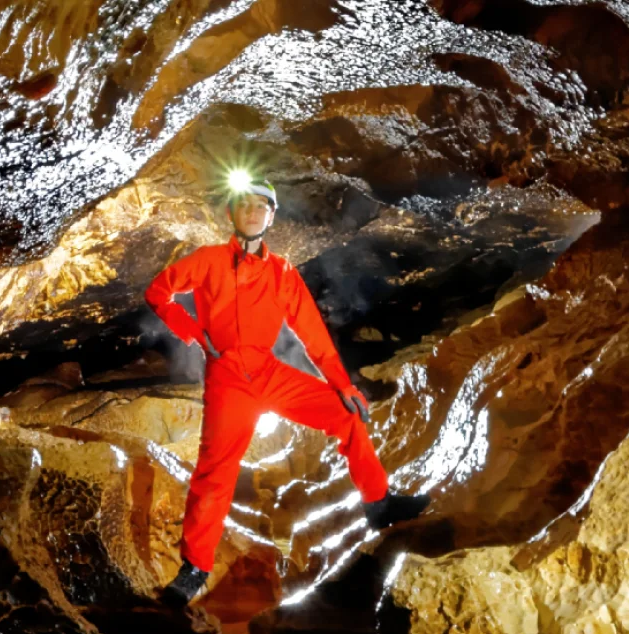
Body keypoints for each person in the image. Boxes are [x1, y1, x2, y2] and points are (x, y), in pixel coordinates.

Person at [145, 176, 430, 607]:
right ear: (231, 212)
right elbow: (158, 292)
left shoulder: (282, 273)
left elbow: (313, 334)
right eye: (245, 205)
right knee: (214, 473)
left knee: (346, 414)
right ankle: (195, 567)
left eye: (261, 206)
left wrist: (342, 384)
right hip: (228, 380)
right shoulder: (207, 261)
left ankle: (378, 504)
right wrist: (193, 333)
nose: (253, 213)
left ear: (271, 216)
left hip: (269, 372)